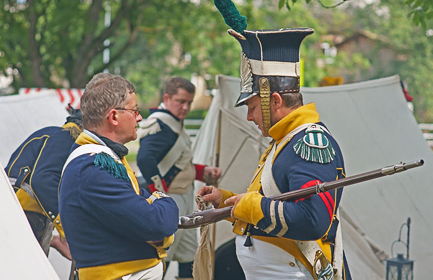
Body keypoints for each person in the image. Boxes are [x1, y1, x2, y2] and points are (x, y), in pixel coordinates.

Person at [197, 28, 353, 280]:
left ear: (276, 100)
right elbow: (274, 202)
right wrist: (226, 201)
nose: (249, 117)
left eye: (253, 107)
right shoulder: (287, 140)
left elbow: (313, 220)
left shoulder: (310, 143)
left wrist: (250, 206)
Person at [59, 73, 179, 280]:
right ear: (114, 117)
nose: (140, 117)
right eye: (135, 111)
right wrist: (166, 201)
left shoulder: (104, 160)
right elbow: (156, 224)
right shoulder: (92, 166)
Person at [136, 76, 221, 280]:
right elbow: (145, 159)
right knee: (162, 257)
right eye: (180, 101)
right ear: (167, 97)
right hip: (169, 200)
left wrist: (202, 172)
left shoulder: (174, 123)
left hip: (181, 199)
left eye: (188, 103)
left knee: (188, 255)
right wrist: (159, 193)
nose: (185, 107)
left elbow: (180, 164)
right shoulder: (160, 124)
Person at [5, 106, 82, 260]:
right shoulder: (65, 137)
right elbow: (43, 181)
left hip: (25, 214)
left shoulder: (52, 133)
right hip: (24, 214)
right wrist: (66, 227)